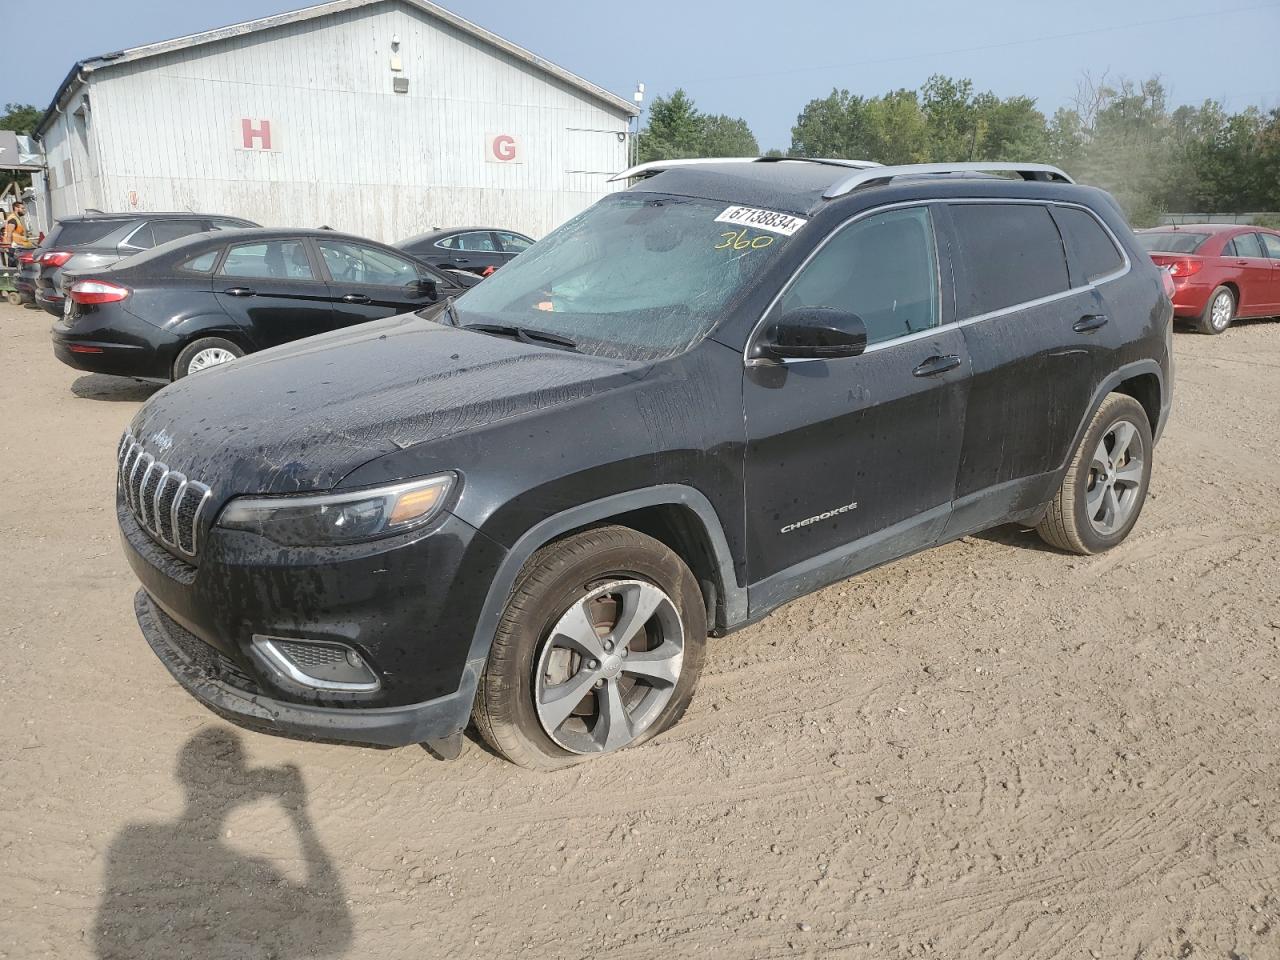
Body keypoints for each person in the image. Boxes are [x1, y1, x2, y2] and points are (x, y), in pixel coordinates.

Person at [3, 202, 28, 266]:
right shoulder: (13, 219)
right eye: (22, 208)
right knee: (14, 268)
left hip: (17, 247)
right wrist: (8, 247)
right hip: (14, 248)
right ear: (16, 208)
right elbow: (9, 234)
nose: (24, 210)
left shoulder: (16, 218)